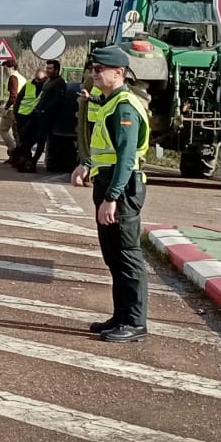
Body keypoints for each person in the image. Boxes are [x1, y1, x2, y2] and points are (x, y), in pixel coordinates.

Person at [71, 48, 150, 343]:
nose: (95, 73)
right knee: (114, 256)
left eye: (100, 68)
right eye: (93, 68)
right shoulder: (110, 103)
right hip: (108, 184)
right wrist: (87, 164)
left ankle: (135, 322)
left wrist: (112, 197)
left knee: (127, 256)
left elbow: (127, 158)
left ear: (119, 73)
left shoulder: (125, 107)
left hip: (123, 188)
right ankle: (120, 316)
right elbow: (105, 149)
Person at [11, 63, 48, 172]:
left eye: (40, 80)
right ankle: (24, 162)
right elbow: (18, 100)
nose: (37, 81)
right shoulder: (28, 84)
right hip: (23, 116)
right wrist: (17, 114)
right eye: (36, 79)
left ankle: (27, 161)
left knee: (33, 141)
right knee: (24, 141)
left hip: (36, 118)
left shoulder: (46, 86)